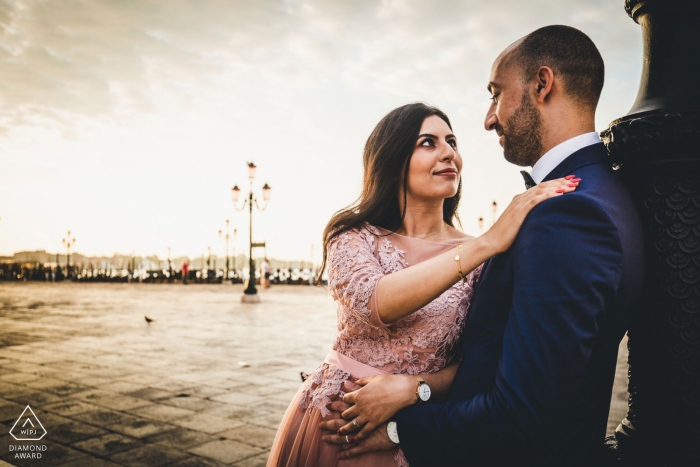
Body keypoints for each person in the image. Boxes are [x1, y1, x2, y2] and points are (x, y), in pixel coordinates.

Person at [320, 25, 645, 467]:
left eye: (496, 94)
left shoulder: (568, 211)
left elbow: (520, 407)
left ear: (542, 84)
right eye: (428, 142)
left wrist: (401, 424)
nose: (489, 117)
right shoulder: (591, 195)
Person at [266, 102, 577, 467]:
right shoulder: (352, 235)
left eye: (452, 142)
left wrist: (413, 389)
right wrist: (487, 242)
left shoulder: (483, 261)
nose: (449, 153)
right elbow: (373, 302)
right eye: (428, 143)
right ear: (393, 160)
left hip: (417, 432)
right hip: (333, 424)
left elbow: (481, 363)